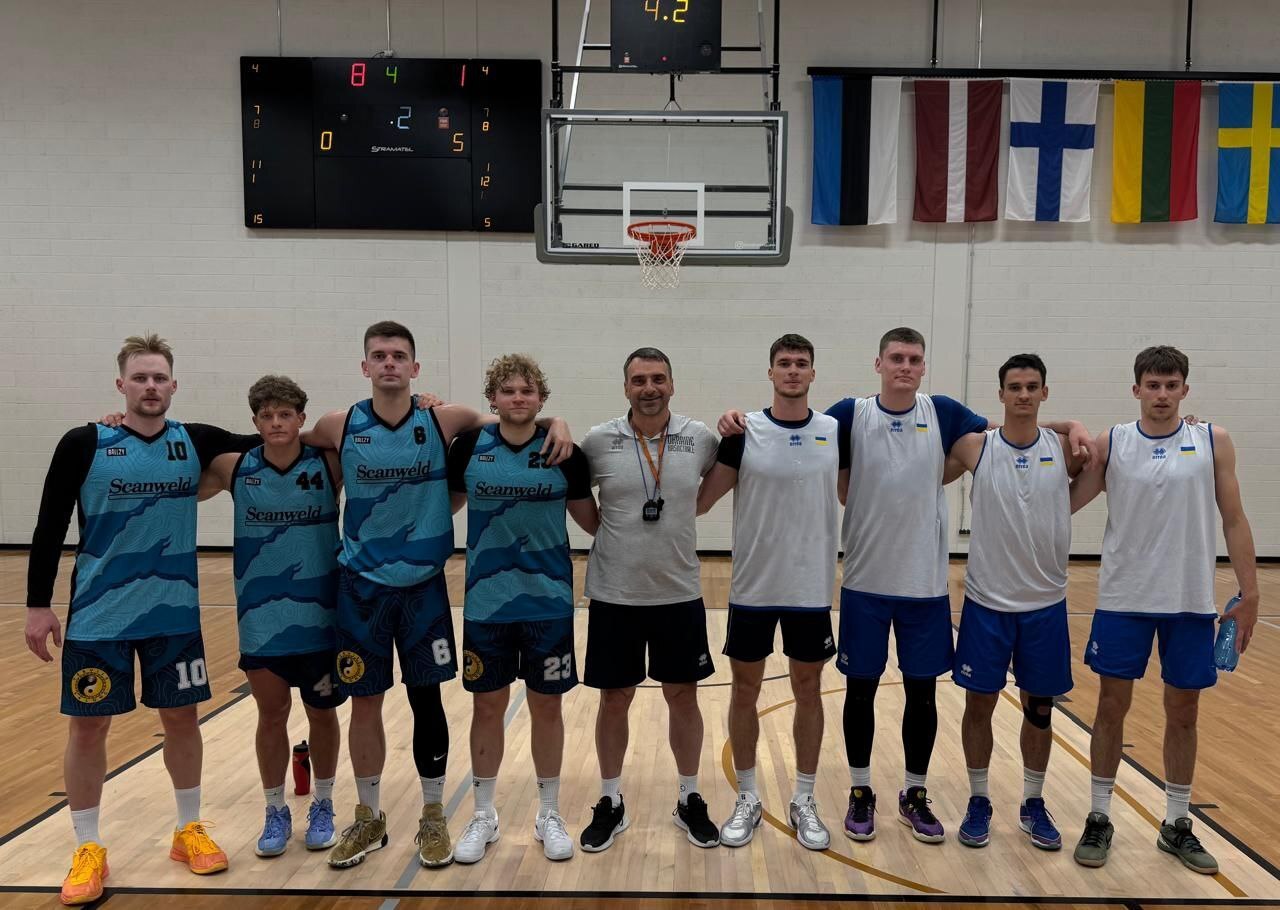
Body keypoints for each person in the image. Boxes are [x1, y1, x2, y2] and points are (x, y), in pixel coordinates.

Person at [718, 326, 1089, 845]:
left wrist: (1068, 424)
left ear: (923, 367)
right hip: (864, 582)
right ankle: (861, 790)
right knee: (860, 693)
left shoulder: (944, 412)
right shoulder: (849, 414)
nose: (905, 367)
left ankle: (914, 792)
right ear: (879, 364)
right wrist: (734, 421)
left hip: (925, 585)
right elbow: (796, 435)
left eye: (914, 359)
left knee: (921, 695)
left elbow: (1011, 427)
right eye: (896, 358)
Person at [303, 321, 572, 870]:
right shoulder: (338, 424)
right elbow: (283, 442)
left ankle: (432, 815)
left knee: (427, 701)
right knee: (365, 704)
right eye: (379, 355)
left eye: (399, 355)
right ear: (365, 366)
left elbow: (513, 420)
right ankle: (369, 817)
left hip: (424, 586)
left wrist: (558, 421)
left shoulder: (445, 419)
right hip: (361, 587)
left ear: (415, 367)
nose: (389, 363)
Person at [25, 334, 257, 906]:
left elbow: (277, 437)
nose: (150, 387)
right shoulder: (84, 442)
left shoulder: (195, 440)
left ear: (173, 385)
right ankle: (87, 846)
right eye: (140, 378)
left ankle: (188, 829)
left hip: (173, 614)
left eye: (159, 378)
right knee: (88, 728)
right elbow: (49, 523)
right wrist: (37, 604)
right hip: (98, 614)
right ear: (121, 385)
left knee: (182, 719)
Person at [1068, 345, 1259, 874]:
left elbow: (1235, 518)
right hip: (1123, 599)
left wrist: (1250, 593)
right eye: (1152, 385)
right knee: (1111, 707)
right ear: (1136, 390)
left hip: (1189, 602)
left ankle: (1177, 823)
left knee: (1184, 712)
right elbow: (1064, 502)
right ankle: (1099, 816)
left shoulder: (1212, 440)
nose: (1162, 394)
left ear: (1184, 390)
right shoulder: (1113, 442)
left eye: (1171, 386)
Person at [446, 354, 598, 864]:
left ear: (541, 399)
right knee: (486, 707)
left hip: (548, 602)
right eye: (508, 390)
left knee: (547, 708)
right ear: (493, 398)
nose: (517, 398)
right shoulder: (470, 447)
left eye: (527, 391)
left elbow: (594, 523)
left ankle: (548, 813)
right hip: (486, 605)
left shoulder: (565, 453)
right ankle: (483, 815)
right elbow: (441, 506)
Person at [697, 334, 840, 851]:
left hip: (810, 587)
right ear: (771, 372)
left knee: (808, 689)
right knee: (744, 690)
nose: (793, 371)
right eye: (784, 363)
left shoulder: (834, 430)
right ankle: (748, 796)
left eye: (801, 363)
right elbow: (701, 501)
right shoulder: (744, 432)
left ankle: (804, 797)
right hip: (753, 587)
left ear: (813, 373)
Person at [577, 347, 722, 851]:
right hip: (614, 594)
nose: (649, 388)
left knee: (683, 696)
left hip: (677, 593)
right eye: (639, 380)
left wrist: (693, 508)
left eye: (658, 378)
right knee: (613, 699)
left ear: (672, 384)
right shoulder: (599, 441)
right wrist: (606, 532)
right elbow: (579, 498)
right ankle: (611, 801)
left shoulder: (698, 438)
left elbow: (722, 473)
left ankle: (689, 797)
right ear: (626, 387)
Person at [199, 375, 346, 858]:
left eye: (286, 414)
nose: (277, 422)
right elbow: (171, 477)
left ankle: (323, 803)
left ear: (302, 418)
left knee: (322, 713)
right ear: (255, 422)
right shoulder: (234, 467)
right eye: (267, 415)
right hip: (261, 620)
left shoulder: (329, 462)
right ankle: (275, 809)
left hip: (321, 618)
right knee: (272, 714)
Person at [943, 354, 1085, 851]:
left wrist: (1071, 425)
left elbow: (1108, 458)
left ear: (1044, 392)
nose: (1023, 395)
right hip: (987, 602)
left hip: (1045, 604)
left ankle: (1032, 802)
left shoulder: (1064, 448)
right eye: (1015, 387)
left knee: (1040, 709)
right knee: (978, 704)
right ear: (1000, 393)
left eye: (1032, 387)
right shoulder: (975, 447)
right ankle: (979, 799)